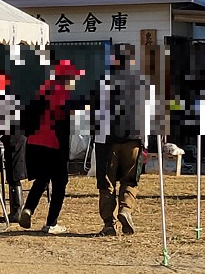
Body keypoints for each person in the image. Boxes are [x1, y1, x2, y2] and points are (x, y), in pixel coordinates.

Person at [19, 60, 84, 234]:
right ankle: (51, 223)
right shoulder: (64, 95)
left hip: (33, 143)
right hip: (54, 144)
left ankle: (28, 208)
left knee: (41, 179)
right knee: (60, 183)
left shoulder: (42, 90)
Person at [94, 44, 150, 236]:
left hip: (108, 138)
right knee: (130, 179)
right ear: (131, 61)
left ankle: (108, 224)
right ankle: (126, 209)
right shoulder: (141, 82)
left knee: (107, 183)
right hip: (134, 138)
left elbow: (94, 110)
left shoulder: (104, 82)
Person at [0, 71, 27, 222]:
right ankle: (15, 210)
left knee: (14, 176)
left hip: (15, 138)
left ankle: (16, 211)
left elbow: (1, 122)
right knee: (13, 175)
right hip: (17, 136)